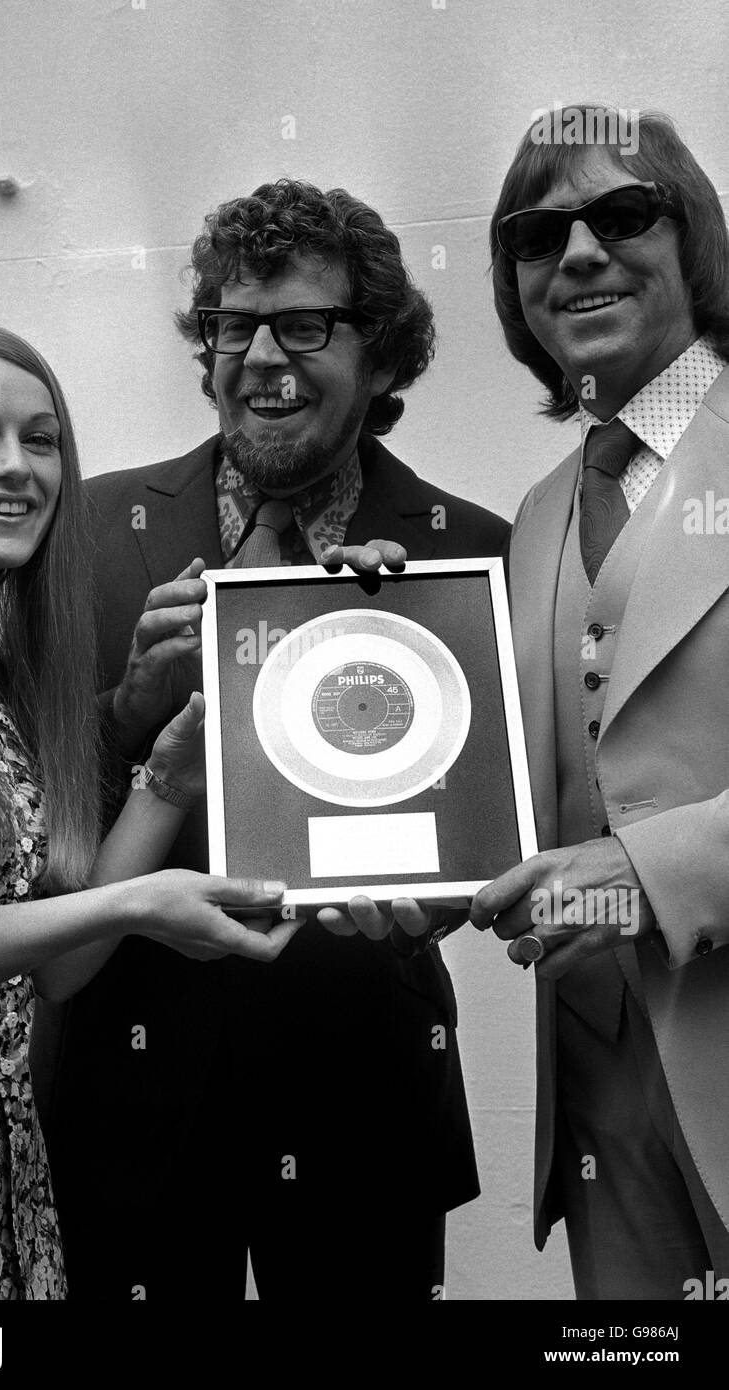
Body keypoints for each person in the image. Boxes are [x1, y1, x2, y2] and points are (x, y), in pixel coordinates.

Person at [38, 178, 509, 1302]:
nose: (258, 355)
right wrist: (126, 715)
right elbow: (27, 827)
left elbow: (481, 814)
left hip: (363, 1089)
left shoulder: (470, 554)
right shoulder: (90, 531)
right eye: (230, 325)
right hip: (130, 1089)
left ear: (384, 357)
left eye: (303, 324)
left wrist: (434, 897)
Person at [0, 321, 298, 1301]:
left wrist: (167, 778)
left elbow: (52, 968)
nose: (14, 465)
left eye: (41, 438)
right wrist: (130, 906)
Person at [466, 106, 729, 1298]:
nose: (575, 254)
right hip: (598, 1094)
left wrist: (653, 870)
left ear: (695, 244)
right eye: (536, 233)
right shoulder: (530, 520)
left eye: (620, 215)